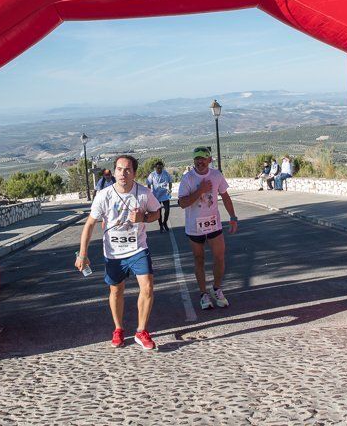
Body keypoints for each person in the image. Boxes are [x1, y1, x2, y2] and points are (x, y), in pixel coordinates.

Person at [76, 155, 161, 350]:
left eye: (128, 169)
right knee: (116, 290)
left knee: (147, 287)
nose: (123, 173)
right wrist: (83, 254)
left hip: (138, 249)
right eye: (120, 169)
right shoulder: (104, 195)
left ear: (134, 173)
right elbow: (89, 224)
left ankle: (141, 331)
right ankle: (118, 329)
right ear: (114, 172)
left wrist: (144, 217)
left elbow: (157, 212)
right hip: (114, 252)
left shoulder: (144, 193)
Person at [178, 146, 238, 310]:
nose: (200, 161)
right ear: (194, 161)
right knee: (199, 259)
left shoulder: (216, 175)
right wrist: (200, 191)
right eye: (197, 158)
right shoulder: (188, 178)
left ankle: (217, 289)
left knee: (219, 257)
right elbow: (182, 203)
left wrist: (233, 217)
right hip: (194, 227)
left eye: (203, 158)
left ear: (209, 160)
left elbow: (225, 196)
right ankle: (203, 294)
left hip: (213, 224)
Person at [146, 161, 173, 233]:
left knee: (167, 210)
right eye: (158, 168)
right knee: (159, 212)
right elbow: (148, 183)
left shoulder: (166, 173)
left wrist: (170, 189)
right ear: (155, 168)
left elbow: (170, 181)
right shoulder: (152, 175)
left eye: (161, 168)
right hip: (156, 196)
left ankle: (165, 222)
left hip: (165, 195)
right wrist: (149, 192)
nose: (159, 170)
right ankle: (161, 225)